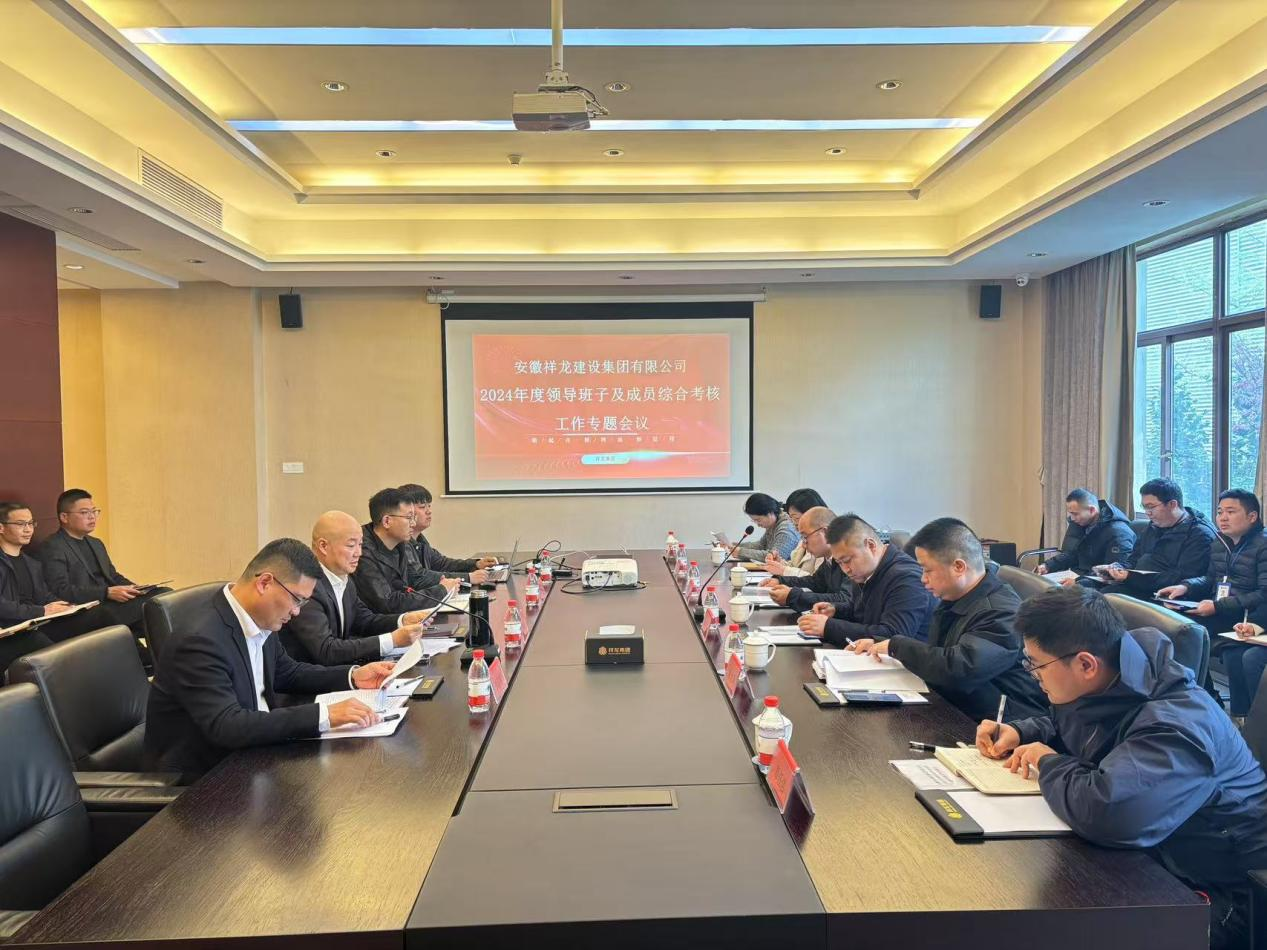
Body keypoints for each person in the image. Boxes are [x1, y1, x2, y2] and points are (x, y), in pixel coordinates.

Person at [976, 586, 1267, 950]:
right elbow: (1079, 724)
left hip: (1222, 894)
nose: (1031, 673)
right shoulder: (1118, 673)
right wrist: (1023, 732)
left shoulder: (1177, 724)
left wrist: (1048, 761)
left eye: (1035, 664)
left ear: (1085, 664)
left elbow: (1109, 812)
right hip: (1156, 855)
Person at [145, 538, 399, 781]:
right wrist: (325, 715)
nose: (296, 611)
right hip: (207, 779)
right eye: (297, 599)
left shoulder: (258, 617)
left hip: (258, 751)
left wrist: (353, 676)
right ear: (265, 583)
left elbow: (287, 672)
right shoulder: (199, 640)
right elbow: (227, 725)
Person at [853, 517, 1045, 720]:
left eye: (927, 570)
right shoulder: (955, 596)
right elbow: (939, 652)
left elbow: (959, 670)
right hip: (958, 705)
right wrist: (883, 645)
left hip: (998, 722)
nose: (923, 579)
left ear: (959, 567)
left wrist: (896, 646)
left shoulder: (1001, 612)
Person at [1157, 489, 1267, 717]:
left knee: (1191, 634)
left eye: (1231, 512)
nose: (1222, 518)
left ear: (1252, 516)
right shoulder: (1220, 541)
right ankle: (1204, 698)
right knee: (1174, 627)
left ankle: (1236, 714)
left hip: (1250, 615)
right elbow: (1210, 579)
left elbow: (1264, 593)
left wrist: (1218, 606)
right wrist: (1185, 587)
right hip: (1224, 611)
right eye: (1219, 512)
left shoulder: (1263, 545)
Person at [279, 511, 436, 665]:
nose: (358, 553)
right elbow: (326, 650)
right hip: (313, 677)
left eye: (360, 544)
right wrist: (392, 640)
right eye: (351, 545)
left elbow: (364, 621)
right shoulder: (307, 586)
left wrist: (403, 620)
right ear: (323, 546)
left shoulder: (344, 579)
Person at [35, 488, 170, 640]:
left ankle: (166, 650)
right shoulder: (53, 546)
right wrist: (106, 592)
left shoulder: (96, 543)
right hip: (88, 609)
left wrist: (136, 589)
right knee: (147, 613)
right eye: (84, 512)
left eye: (94, 511)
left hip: (110, 602)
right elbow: (61, 590)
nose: (92, 517)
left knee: (162, 594)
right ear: (64, 517)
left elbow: (113, 576)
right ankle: (150, 652)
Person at [796, 514, 935, 647]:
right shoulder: (865, 571)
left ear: (871, 545)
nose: (845, 569)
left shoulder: (907, 579)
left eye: (847, 560)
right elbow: (860, 611)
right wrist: (835, 610)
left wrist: (828, 627)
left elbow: (892, 636)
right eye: (839, 563)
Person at [1095, 478, 1215, 598]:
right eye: (1144, 507)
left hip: (1167, 595)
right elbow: (1133, 560)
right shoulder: (1153, 526)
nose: (1147, 513)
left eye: (1151, 507)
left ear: (1172, 504)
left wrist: (1130, 577)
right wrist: (1117, 569)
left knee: (1104, 598)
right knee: (1093, 592)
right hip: (1139, 586)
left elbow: (1183, 578)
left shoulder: (1200, 534)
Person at [353, 488, 459, 615]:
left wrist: (445, 586)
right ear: (386, 521)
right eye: (409, 518)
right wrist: (441, 591)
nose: (413, 523)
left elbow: (412, 583)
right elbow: (388, 603)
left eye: (414, 517)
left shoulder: (401, 543)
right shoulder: (362, 552)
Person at [0, 501, 76, 673]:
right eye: (21, 524)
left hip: (32, 626)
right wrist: (41, 611)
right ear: (1, 528)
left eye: (31, 523)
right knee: (44, 646)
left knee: (82, 627)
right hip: (9, 633)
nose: (28, 529)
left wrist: (68, 606)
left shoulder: (32, 563)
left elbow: (44, 596)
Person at [398, 484, 498, 584]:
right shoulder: (402, 543)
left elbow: (442, 564)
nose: (429, 511)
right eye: (422, 507)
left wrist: (476, 564)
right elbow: (419, 577)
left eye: (429, 506)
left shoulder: (420, 540)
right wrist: (468, 578)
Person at [760, 507, 853, 610]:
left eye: (805, 537)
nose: (803, 545)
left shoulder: (849, 559)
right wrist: (780, 581)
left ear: (826, 533)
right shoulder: (829, 559)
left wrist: (793, 596)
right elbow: (815, 582)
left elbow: (845, 599)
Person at [1036, 488, 1136, 584]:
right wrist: (1048, 565)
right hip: (1080, 575)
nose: (1072, 518)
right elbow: (1074, 554)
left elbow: (1112, 572)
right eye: (1071, 514)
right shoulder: (1081, 523)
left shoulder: (1118, 533)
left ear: (1092, 510)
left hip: (1098, 584)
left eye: (1075, 514)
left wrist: (1079, 582)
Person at [764, 488, 828, 578]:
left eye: (796, 518)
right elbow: (795, 566)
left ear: (812, 513)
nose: (794, 523)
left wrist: (784, 570)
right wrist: (779, 563)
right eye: (791, 518)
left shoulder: (822, 540)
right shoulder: (804, 537)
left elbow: (817, 580)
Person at [733, 492, 798, 562]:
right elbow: (760, 545)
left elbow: (773, 557)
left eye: (758, 520)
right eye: (754, 521)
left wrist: (740, 552)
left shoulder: (786, 528)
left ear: (770, 513)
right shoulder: (773, 524)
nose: (758, 525)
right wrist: (733, 546)